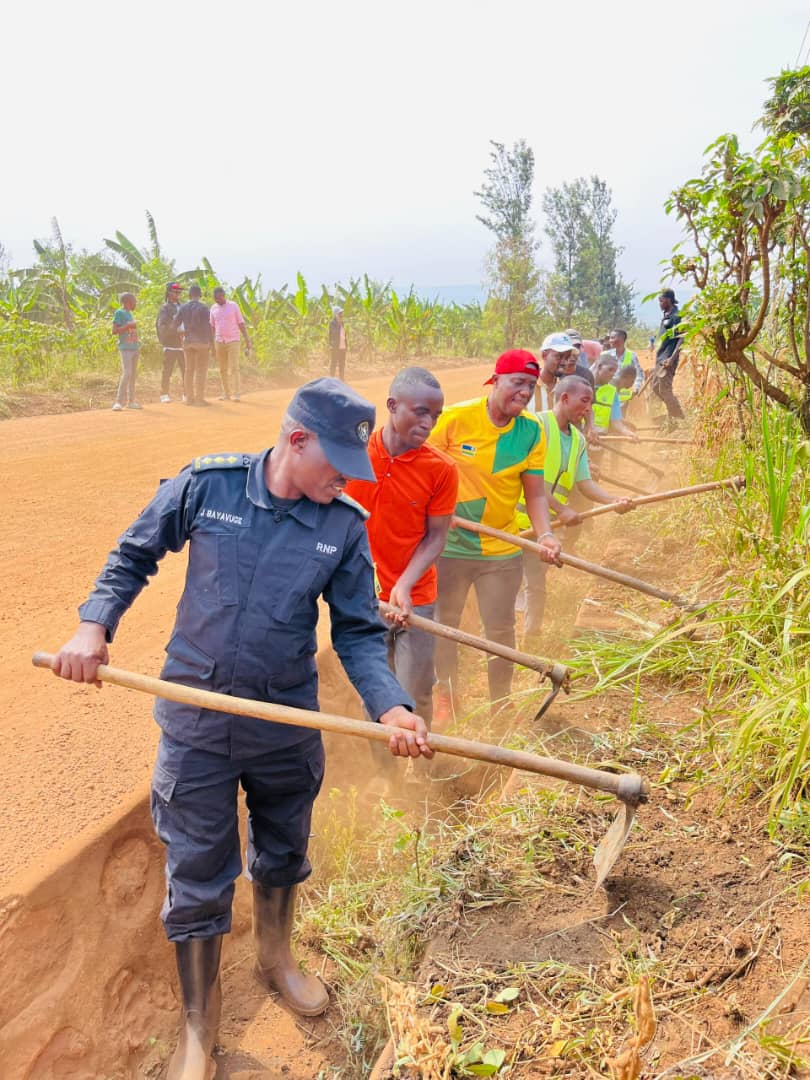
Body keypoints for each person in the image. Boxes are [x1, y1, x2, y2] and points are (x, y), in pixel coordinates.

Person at [49, 378, 431, 1079]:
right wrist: (92, 626)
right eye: (336, 466)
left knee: (284, 847)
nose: (344, 481)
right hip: (197, 717)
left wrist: (392, 706)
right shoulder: (208, 487)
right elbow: (134, 554)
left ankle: (277, 956)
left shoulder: (342, 526)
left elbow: (354, 633)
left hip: (285, 718)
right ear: (295, 440)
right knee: (197, 869)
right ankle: (201, 1026)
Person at [428, 349, 561, 718]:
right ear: (496, 379)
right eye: (517, 382)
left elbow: (534, 493)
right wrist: (437, 509)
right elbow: (422, 470)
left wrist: (545, 535)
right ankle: (447, 695)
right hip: (451, 545)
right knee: (445, 625)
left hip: (501, 548)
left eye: (531, 386)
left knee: (500, 630)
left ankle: (498, 705)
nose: (524, 392)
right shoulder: (455, 419)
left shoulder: (531, 430)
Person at [344, 367, 458, 735]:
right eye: (421, 412)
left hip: (416, 598)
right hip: (363, 599)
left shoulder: (441, 470)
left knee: (413, 690)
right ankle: (383, 776)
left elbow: (436, 537)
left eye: (435, 416)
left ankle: (417, 767)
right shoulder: (352, 455)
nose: (429, 423)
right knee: (375, 695)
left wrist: (405, 585)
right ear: (392, 406)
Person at [522, 376, 634, 642]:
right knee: (500, 584)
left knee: (536, 583)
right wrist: (561, 508)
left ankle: (531, 637)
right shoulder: (535, 425)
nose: (588, 410)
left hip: (544, 527)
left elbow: (584, 483)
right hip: (510, 520)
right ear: (564, 398)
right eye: (584, 402)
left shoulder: (578, 440)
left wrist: (611, 500)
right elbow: (527, 481)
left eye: (590, 404)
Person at [210, 286, 251, 401]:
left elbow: (241, 323)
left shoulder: (233, 306)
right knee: (222, 369)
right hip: (219, 341)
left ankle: (236, 393)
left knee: (234, 367)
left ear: (223, 296)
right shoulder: (213, 308)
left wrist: (247, 339)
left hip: (233, 340)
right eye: (215, 299)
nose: (217, 301)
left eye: (218, 298)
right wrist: (212, 343)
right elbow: (212, 326)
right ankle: (226, 394)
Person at [177, 285, 213, 406]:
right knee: (201, 371)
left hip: (188, 342)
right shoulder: (204, 308)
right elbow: (209, 326)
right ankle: (199, 399)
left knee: (188, 370)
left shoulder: (183, 307)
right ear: (200, 295)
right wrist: (211, 343)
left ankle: (189, 399)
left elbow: (175, 323)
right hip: (202, 342)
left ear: (189, 295)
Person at [653, 288, 685, 422]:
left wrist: (672, 359)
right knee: (656, 387)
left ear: (669, 300)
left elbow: (682, 338)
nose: (659, 303)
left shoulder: (676, 316)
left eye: (661, 300)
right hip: (660, 358)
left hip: (668, 359)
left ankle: (678, 418)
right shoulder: (667, 315)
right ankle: (673, 413)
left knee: (665, 389)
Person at [591, 354, 639, 439]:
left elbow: (615, 422)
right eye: (610, 370)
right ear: (599, 366)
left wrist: (626, 432)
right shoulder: (581, 385)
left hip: (600, 439)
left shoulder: (612, 392)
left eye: (614, 371)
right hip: (581, 437)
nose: (613, 374)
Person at [156, 283, 186, 403]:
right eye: (175, 291)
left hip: (183, 343)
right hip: (171, 344)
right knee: (167, 370)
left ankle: (186, 393)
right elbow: (162, 326)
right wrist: (174, 332)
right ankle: (164, 394)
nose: (178, 294)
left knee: (186, 370)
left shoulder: (182, 307)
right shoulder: (165, 308)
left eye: (179, 292)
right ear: (168, 293)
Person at [111, 292, 141, 411]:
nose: (135, 303)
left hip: (134, 347)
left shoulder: (130, 313)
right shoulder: (119, 313)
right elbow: (114, 331)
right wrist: (128, 326)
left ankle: (131, 401)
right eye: (134, 301)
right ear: (128, 302)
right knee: (127, 373)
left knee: (133, 375)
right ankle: (118, 402)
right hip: (125, 348)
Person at [328, 307, 347, 380]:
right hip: (335, 347)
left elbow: (343, 335)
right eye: (340, 314)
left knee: (342, 365)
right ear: (336, 314)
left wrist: (346, 345)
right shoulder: (332, 323)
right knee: (334, 364)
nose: (341, 315)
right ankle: (331, 380)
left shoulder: (342, 323)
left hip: (343, 347)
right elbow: (334, 333)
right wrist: (339, 324)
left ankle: (342, 380)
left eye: (341, 313)